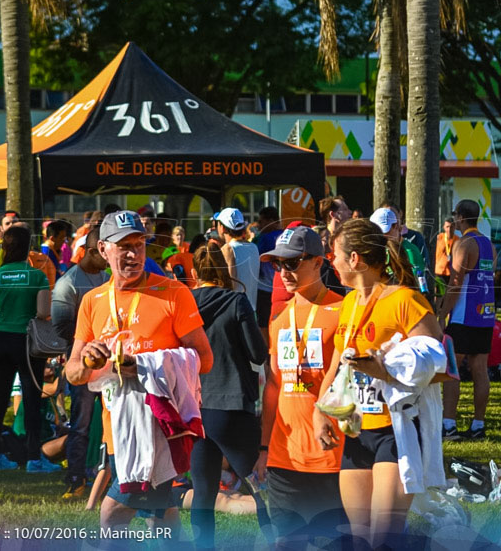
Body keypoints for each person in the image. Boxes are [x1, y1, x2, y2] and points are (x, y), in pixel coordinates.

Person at [65, 210, 213, 537]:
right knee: (161, 521)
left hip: (158, 430)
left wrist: (143, 365)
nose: (133, 254)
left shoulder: (174, 293)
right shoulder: (92, 301)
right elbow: (73, 373)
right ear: (103, 250)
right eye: (123, 247)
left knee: (112, 515)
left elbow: (204, 359)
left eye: (139, 245)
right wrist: (88, 360)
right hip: (116, 430)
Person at [314, 219, 443, 548]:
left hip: (396, 429)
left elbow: (439, 363)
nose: (333, 264)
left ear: (354, 259)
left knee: (384, 537)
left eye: (334, 257)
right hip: (357, 431)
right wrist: (321, 411)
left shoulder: (404, 300)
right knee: (359, 539)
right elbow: (338, 363)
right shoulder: (349, 303)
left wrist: (384, 370)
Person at [255, 226, 346, 550]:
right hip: (284, 458)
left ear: (318, 262)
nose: (284, 272)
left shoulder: (342, 310)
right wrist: (264, 448)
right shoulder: (279, 316)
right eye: (278, 264)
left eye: (292, 263)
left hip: (332, 457)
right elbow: (274, 387)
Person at [188, 242, 268, 548]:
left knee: (204, 490)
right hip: (231, 402)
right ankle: (279, 539)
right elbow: (257, 353)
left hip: (194, 406)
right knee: (259, 486)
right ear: (225, 271)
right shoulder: (237, 301)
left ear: (194, 273)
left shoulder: (184, 303)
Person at [0, 225, 61, 473]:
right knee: (30, 399)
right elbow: (42, 313)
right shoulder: (37, 276)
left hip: (0, 340)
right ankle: (33, 459)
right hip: (27, 343)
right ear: (28, 247)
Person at [51, 229, 109, 499]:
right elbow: (60, 326)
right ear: (92, 250)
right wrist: (88, 342)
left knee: (113, 421)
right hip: (82, 364)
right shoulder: (69, 282)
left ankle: (110, 477)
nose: (109, 258)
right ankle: (76, 479)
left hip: (109, 364)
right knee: (81, 423)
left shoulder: (107, 276)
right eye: (104, 252)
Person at [438, 200, 496, 441]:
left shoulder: (464, 244)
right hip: (485, 315)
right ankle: (478, 425)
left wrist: (441, 313)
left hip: (463, 315)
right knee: (480, 370)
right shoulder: (488, 244)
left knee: (452, 369)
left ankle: (449, 424)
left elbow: (455, 283)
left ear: (460, 218)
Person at [370, 207, 427, 294]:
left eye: (385, 231)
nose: (381, 236)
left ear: (396, 226)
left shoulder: (410, 251)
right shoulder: (374, 249)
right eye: (377, 232)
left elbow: (417, 287)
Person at [216, 208, 259, 310]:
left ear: (222, 228)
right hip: (252, 309)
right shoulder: (254, 247)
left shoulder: (228, 249)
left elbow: (230, 284)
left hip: (235, 310)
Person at [434, 217, 457, 287]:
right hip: (439, 272)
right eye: (447, 227)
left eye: (451, 227)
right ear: (444, 227)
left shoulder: (458, 240)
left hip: (452, 273)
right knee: (438, 294)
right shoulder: (438, 238)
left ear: (455, 227)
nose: (449, 229)